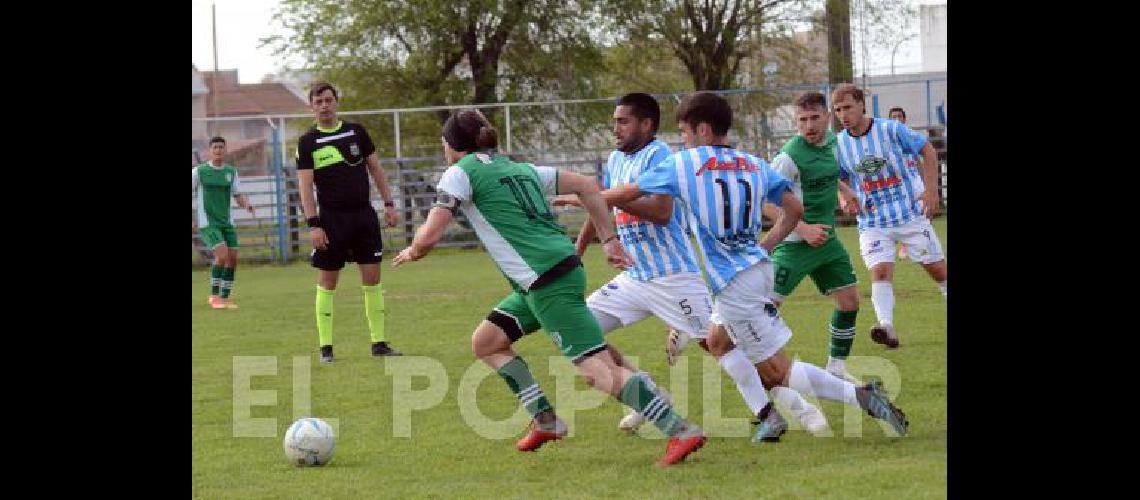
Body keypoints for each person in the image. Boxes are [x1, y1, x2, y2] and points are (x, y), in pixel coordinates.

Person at [393, 109, 706, 466]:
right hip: (550, 274)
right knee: (487, 342)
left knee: (597, 372)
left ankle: (680, 429)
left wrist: (414, 249)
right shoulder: (518, 168)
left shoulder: (459, 172)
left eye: (443, 143)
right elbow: (588, 186)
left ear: (452, 144)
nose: (444, 150)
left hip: (546, 279)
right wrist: (608, 239)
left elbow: (431, 234)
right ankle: (546, 420)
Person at [608, 91, 909, 438]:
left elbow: (627, 193)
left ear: (703, 131)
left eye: (686, 133)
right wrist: (767, 244)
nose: (684, 140)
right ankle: (768, 417)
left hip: (736, 281)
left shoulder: (684, 164)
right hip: (751, 271)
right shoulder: (751, 162)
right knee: (718, 342)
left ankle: (862, 396)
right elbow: (793, 210)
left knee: (777, 370)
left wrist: (586, 194)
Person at [555, 93, 828, 437]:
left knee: (724, 345)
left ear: (646, 124)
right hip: (635, 276)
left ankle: (792, 410)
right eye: (615, 122)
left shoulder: (661, 156)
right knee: (579, 329)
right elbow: (602, 206)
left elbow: (661, 210)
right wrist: (578, 250)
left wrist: (617, 197)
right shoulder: (615, 159)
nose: (616, 129)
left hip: (674, 276)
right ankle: (647, 393)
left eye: (623, 122)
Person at [760, 92, 863, 384]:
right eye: (802, 120)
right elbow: (765, 202)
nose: (809, 125)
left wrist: (845, 191)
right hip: (793, 247)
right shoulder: (788, 157)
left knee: (849, 302)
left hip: (827, 241)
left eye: (814, 117)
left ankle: (836, 369)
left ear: (827, 117)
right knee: (764, 312)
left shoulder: (832, 141)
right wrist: (802, 228)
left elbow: (829, 173)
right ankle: (762, 374)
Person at [833, 85, 946, 348]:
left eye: (848, 107)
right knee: (880, 271)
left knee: (939, 271)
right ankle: (886, 326)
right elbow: (838, 177)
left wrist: (931, 191)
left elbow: (927, 149)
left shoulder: (890, 129)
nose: (843, 114)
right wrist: (843, 197)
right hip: (873, 221)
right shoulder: (838, 144)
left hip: (909, 214)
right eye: (838, 110)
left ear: (862, 105)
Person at [296, 82, 402, 362]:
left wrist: (389, 204)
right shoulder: (308, 142)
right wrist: (314, 224)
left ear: (336, 102)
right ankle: (326, 348)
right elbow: (305, 187)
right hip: (331, 221)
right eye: (318, 102)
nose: (324, 106)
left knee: (373, 280)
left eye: (328, 100)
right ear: (311, 107)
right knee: (328, 281)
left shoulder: (356, 132)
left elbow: (376, 169)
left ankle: (379, 343)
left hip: (364, 217)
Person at [193, 136, 256, 309]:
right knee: (221, 255)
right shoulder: (199, 172)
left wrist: (247, 204)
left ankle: (224, 298)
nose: (218, 150)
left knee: (233, 259)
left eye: (221, 147)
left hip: (227, 222)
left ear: (225, 149)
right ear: (210, 150)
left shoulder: (231, 172)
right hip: (208, 222)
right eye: (215, 147)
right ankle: (214, 297)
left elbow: (237, 194)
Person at [887, 107, 921, 261]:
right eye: (893, 117)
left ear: (904, 119)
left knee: (922, 214)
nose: (896, 119)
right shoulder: (885, 139)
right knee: (900, 214)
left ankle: (910, 245)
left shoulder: (911, 135)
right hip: (898, 184)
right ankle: (898, 244)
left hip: (915, 181)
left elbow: (919, 158)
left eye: (899, 116)